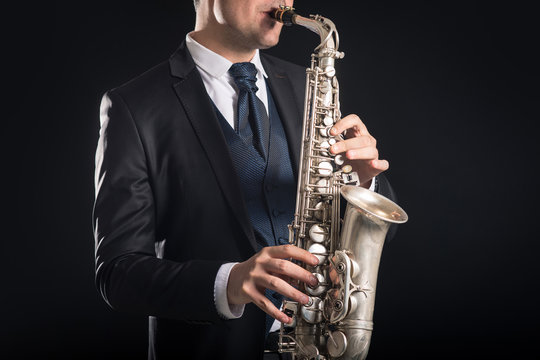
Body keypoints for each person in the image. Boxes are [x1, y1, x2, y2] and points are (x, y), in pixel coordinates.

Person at [93, 0, 397, 359]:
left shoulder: (306, 85)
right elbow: (118, 275)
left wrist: (363, 185)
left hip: (322, 344)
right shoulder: (134, 106)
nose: (283, 2)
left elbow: (368, 234)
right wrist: (229, 282)